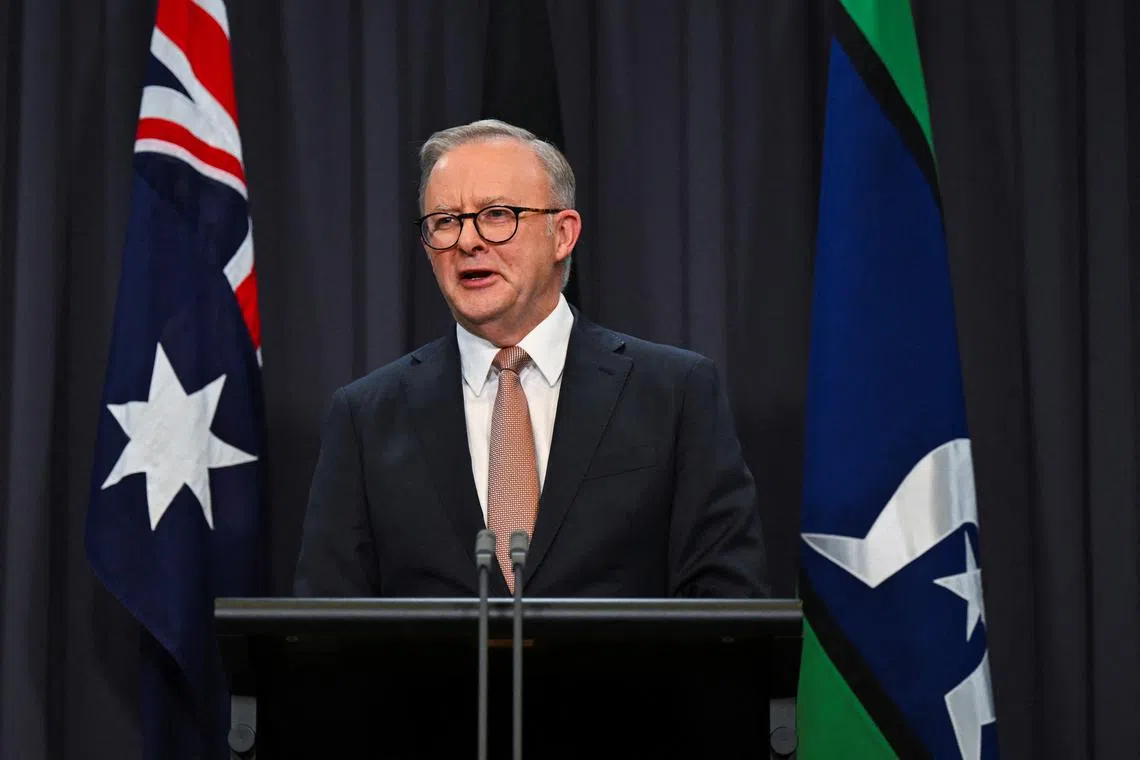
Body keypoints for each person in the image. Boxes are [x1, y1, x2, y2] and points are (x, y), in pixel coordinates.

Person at [294, 118, 768, 598]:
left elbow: (726, 600)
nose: (467, 241)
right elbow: (327, 621)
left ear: (562, 234)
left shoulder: (676, 393)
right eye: (444, 222)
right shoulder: (367, 416)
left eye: (497, 214)